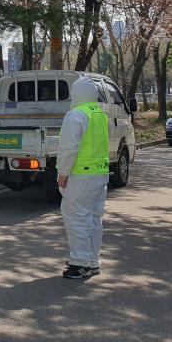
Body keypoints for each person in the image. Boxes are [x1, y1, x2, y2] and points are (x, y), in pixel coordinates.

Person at [56, 76, 110, 280]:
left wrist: (63, 172)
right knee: (94, 219)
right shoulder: (99, 114)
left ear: (75, 94)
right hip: (100, 174)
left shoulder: (75, 115)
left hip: (80, 176)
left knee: (77, 219)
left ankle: (79, 263)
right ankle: (92, 261)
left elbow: (69, 148)